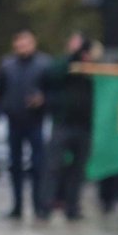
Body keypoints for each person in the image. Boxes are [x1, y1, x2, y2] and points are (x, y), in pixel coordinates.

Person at [0, 30, 52, 220]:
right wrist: (2, 109)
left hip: (35, 122)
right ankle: (17, 206)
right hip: (14, 121)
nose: (23, 46)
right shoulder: (7, 65)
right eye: (20, 43)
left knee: (37, 165)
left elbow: (53, 93)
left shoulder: (44, 65)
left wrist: (43, 101)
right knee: (15, 165)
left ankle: (38, 205)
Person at [45, 32, 97, 221]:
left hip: (84, 125)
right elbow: (53, 75)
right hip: (63, 123)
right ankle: (47, 204)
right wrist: (72, 57)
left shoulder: (93, 67)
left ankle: (72, 206)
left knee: (78, 170)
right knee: (54, 166)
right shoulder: (63, 64)